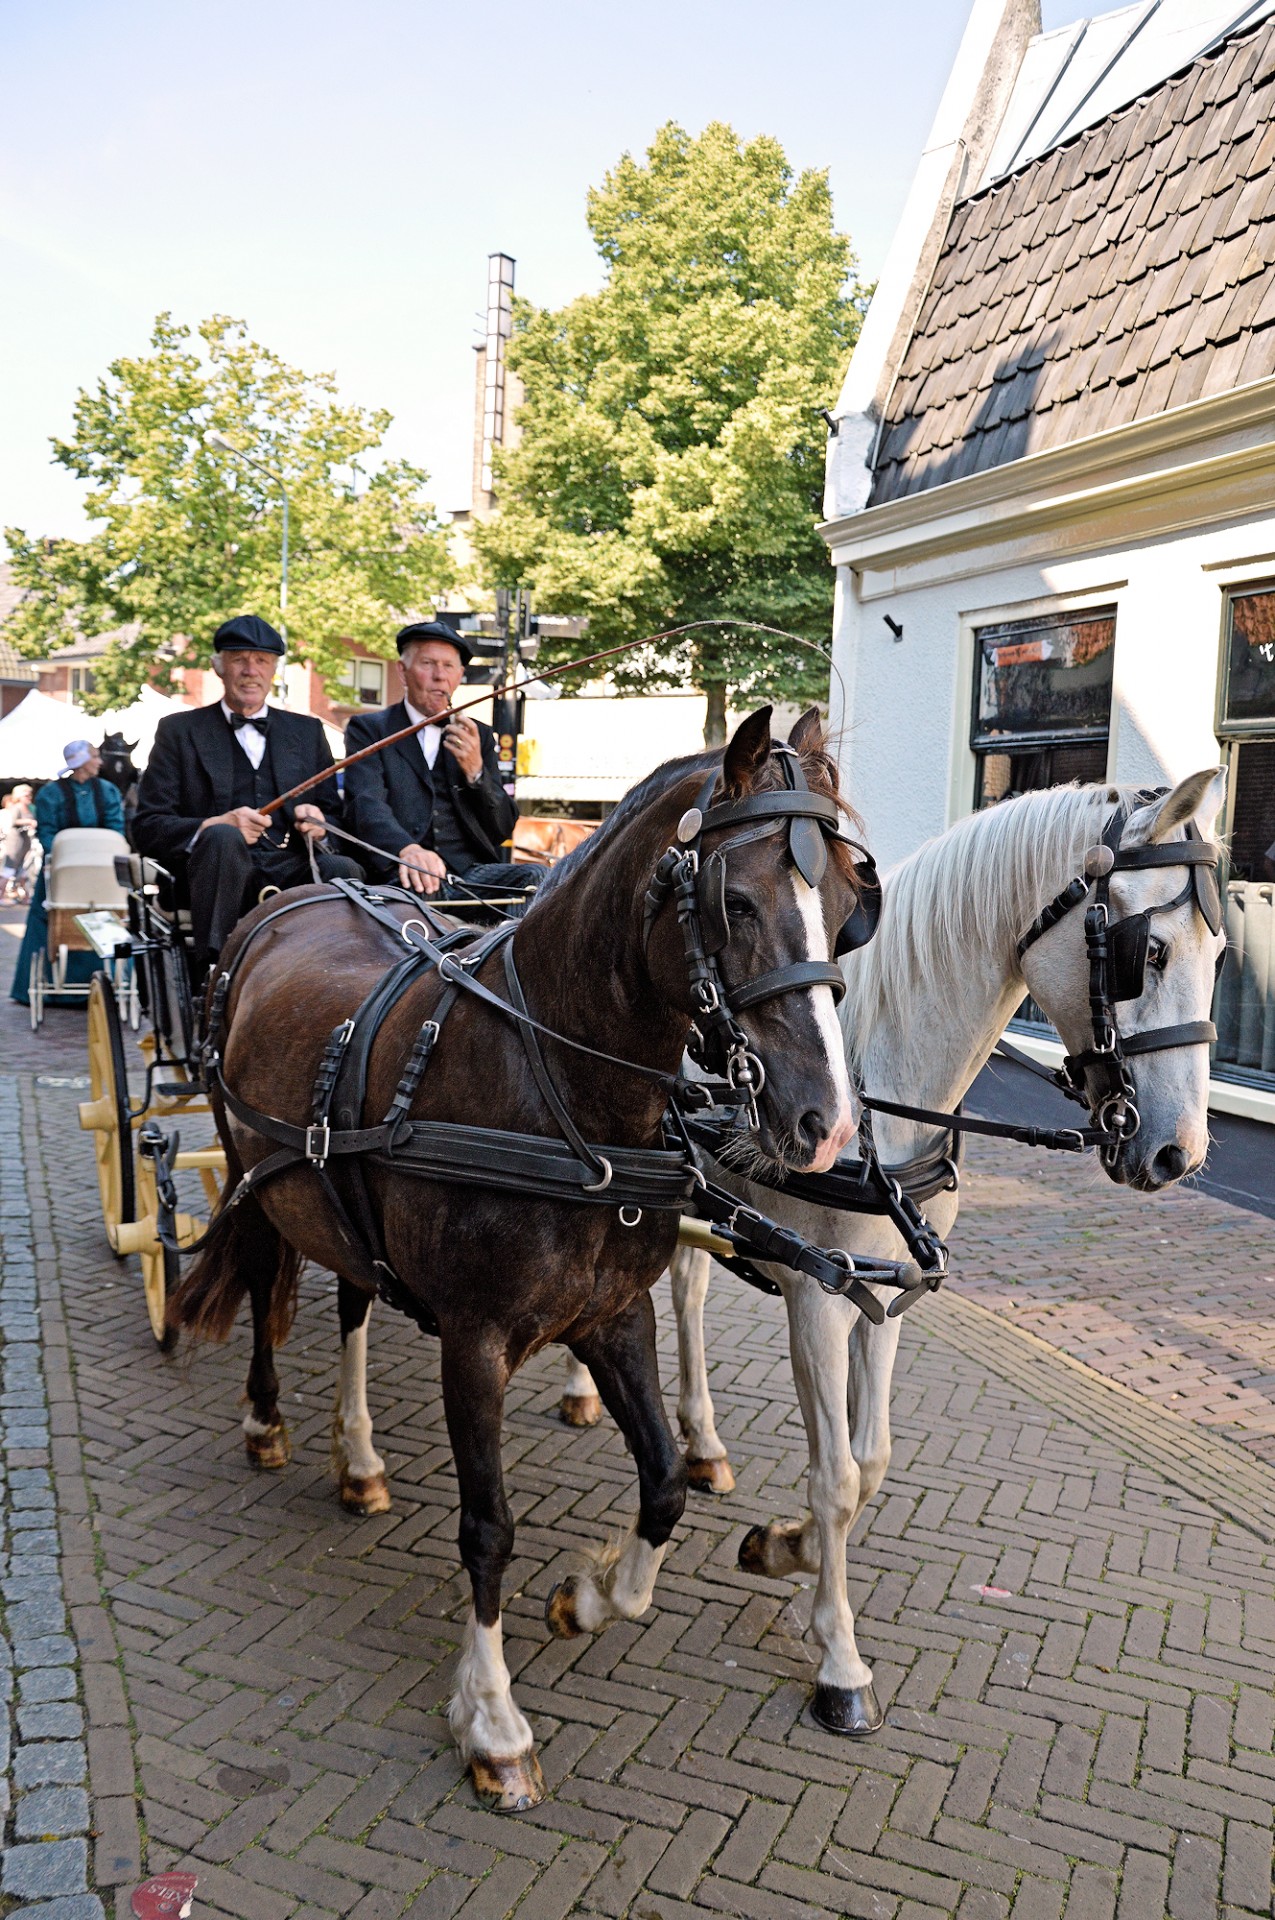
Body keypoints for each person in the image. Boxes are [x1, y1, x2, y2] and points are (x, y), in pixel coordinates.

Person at [131, 614, 361, 967]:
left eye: (261, 661)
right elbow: (147, 827)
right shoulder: (179, 731)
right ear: (218, 666)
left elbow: (335, 817)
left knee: (343, 869)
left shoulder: (307, 732)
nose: (250, 670)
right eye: (239, 659)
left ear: (273, 671)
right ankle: (216, 972)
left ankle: (335, 974)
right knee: (223, 838)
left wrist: (320, 824)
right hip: (205, 877)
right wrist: (214, 825)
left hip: (289, 868)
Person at [343, 620, 526, 899]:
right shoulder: (369, 730)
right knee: (422, 895)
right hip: (403, 870)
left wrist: (477, 774)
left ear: (460, 675)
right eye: (428, 664)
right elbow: (365, 804)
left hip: (470, 874)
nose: (439, 676)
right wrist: (407, 849)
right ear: (402, 671)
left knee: (536, 879)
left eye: (448, 666)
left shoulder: (480, 736)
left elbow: (502, 828)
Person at [9, 743, 126, 1005]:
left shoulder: (107, 791)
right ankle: (49, 987)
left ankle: (109, 984)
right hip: (62, 871)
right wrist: (66, 855)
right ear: (83, 761)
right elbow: (47, 832)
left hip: (100, 872)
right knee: (51, 916)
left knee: (108, 912)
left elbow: (115, 829)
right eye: (95, 757)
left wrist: (101, 854)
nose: (99, 762)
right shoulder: (51, 793)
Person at [1, 784, 36, 902]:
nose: (29, 797)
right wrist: (29, 821)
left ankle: (25, 897)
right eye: (26, 795)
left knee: (23, 871)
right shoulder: (16, 808)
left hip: (26, 844)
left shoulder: (30, 807)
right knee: (8, 870)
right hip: (15, 843)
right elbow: (13, 821)